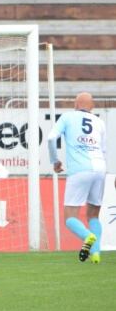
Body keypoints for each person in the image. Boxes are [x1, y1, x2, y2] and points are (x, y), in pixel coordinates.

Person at [47, 92, 107, 264]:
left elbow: (51, 138)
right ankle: (95, 255)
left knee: (69, 217)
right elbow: (104, 151)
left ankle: (88, 236)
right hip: (100, 169)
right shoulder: (100, 122)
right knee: (93, 215)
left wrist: (55, 160)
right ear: (92, 106)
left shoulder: (67, 117)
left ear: (75, 105)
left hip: (80, 170)